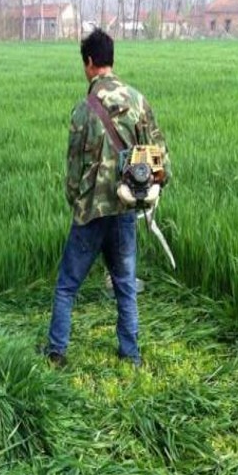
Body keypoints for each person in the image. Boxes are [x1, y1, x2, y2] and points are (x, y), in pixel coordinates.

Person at [45, 29, 170, 368]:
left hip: (90, 213)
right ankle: (130, 354)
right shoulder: (138, 101)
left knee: (67, 286)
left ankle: (56, 352)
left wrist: (77, 202)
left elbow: (73, 172)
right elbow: (161, 159)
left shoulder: (83, 111)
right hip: (125, 209)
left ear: (89, 62)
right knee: (125, 286)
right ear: (111, 59)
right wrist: (148, 191)